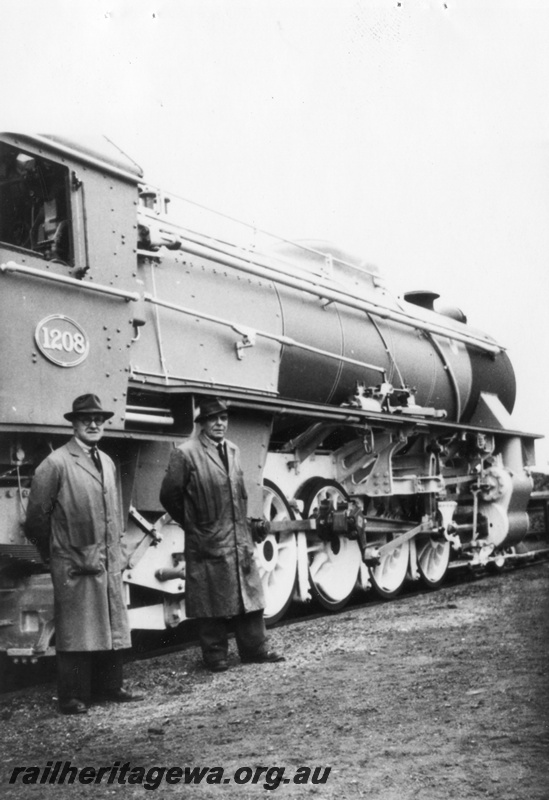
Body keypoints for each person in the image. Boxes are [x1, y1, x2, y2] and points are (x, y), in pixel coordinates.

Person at [25, 394, 142, 714]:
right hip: (73, 562)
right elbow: (35, 518)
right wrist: (58, 551)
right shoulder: (56, 463)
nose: (93, 424)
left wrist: (115, 549)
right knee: (77, 631)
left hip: (105, 559)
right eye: (86, 419)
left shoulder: (106, 461)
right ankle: (72, 697)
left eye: (99, 420)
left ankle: (110, 687)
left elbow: (113, 511)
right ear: (73, 424)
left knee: (110, 622)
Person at [159, 397, 284, 672]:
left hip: (237, 535)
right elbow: (168, 496)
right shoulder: (186, 453)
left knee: (248, 593)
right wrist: (194, 523)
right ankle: (215, 655)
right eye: (213, 419)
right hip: (206, 536)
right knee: (209, 597)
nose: (219, 424)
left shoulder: (234, 450)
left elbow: (239, 491)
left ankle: (255, 649)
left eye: (224, 419)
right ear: (202, 424)